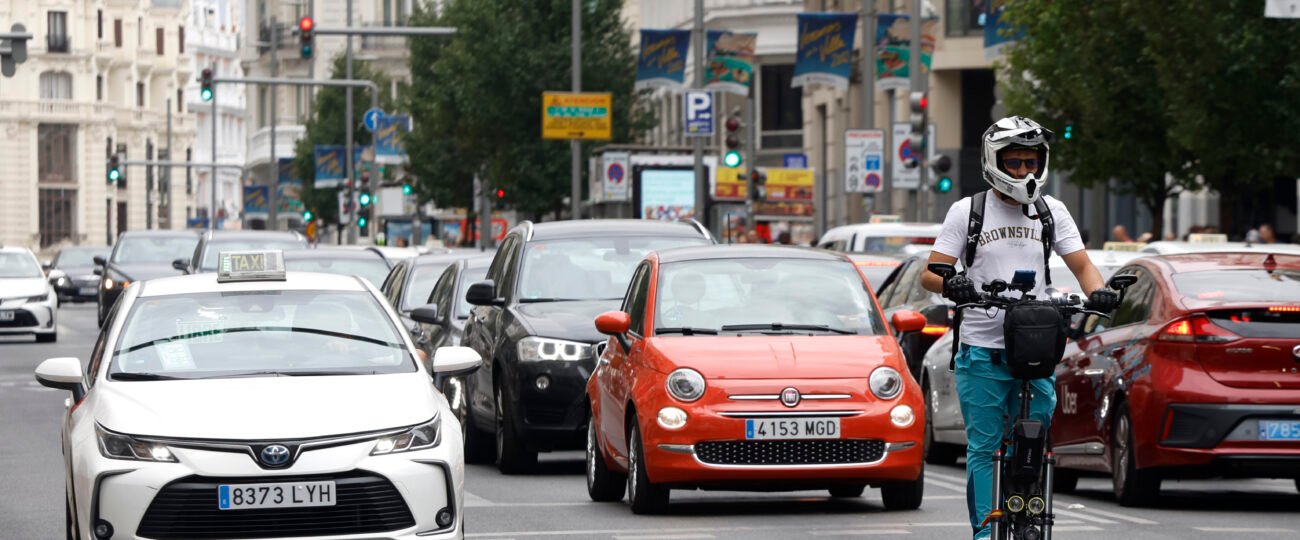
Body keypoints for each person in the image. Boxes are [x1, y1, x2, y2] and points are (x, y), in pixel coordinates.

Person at [920, 116, 1119, 540]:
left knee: (1035, 436)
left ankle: (1029, 510)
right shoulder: (967, 211)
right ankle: (985, 530)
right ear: (995, 162)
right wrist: (953, 283)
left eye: (1031, 162)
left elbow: (1082, 266)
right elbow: (930, 274)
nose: (1024, 172)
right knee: (984, 447)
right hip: (981, 348)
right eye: (1015, 163)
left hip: (1035, 346)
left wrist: (1099, 292)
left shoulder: (1052, 210)